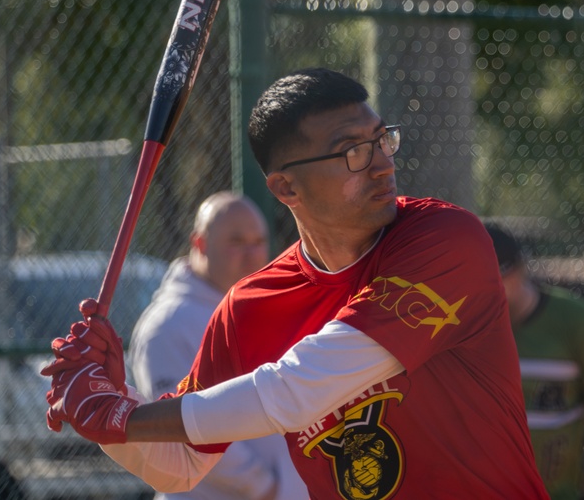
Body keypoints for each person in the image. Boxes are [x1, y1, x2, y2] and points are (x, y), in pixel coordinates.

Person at [41, 67, 549, 500]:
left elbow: (295, 391)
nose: (381, 164)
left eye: (381, 139)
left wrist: (120, 416)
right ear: (286, 186)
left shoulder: (444, 239)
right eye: (352, 151)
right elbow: (181, 464)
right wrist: (109, 405)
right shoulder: (248, 308)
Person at [127, 191, 307, 500]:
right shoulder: (167, 326)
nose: (251, 254)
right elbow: (181, 429)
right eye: (236, 242)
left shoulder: (264, 309)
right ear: (200, 244)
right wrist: (263, 487)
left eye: (259, 242)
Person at [484, 223, 584, 500]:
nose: (488, 291)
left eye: (497, 278)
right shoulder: (455, 329)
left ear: (519, 270)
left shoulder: (580, 325)